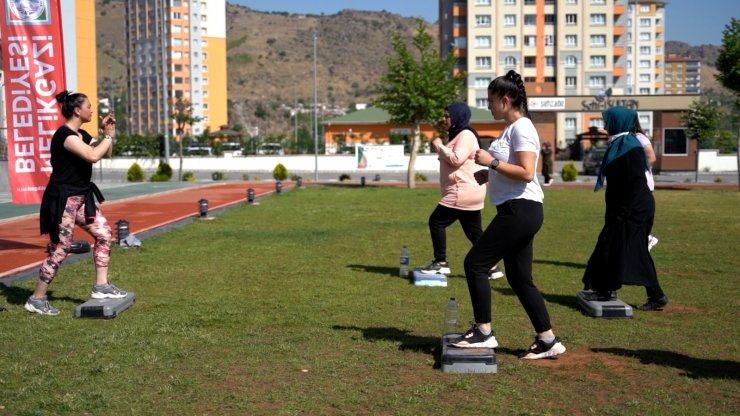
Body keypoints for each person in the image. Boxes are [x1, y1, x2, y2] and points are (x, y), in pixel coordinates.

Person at [449, 70, 566, 360]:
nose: (488, 106)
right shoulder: (511, 129)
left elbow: (527, 173)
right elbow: (512, 168)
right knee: (519, 278)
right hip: (520, 210)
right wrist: (490, 174)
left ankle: (483, 332)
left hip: (519, 210)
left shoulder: (522, 128)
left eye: (490, 101)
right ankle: (548, 339)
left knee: (475, 263)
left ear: (505, 99)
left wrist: (492, 162)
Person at [25, 91, 128, 316]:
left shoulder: (81, 133)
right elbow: (91, 156)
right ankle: (37, 298)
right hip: (63, 199)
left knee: (103, 233)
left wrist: (108, 133)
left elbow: (104, 153)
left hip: (80, 198)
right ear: (77, 110)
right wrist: (106, 139)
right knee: (62, 247)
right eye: (89, 106)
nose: (92, 110)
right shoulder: (65, 135)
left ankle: (101, 287)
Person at [581, 106, 668, 311]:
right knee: (611, 246)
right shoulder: (621, 143)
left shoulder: (630, 147)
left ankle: (655, 295)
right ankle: (606, 289)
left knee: (627, 249)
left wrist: (625, 212)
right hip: (625, 208)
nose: (605, 125)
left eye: (607, 121)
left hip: (633, 209)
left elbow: (636, 182)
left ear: (617, 122)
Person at [420, 103, 504, 280]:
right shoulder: (459, 134)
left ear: (458, 117)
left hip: (462, 190)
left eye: (447, 116)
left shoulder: (465, 134)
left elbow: (456, 159)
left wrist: (438, 145)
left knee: (436, 222)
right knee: (473, 232)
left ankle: (440, 263)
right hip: (469, 190)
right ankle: (492, 266)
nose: (444, 119)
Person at [634, 121, 659, 251]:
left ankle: (646, 239)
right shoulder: (631, 138)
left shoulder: (639, 137)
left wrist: (636, 170)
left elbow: (652, 157)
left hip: (642, 186)